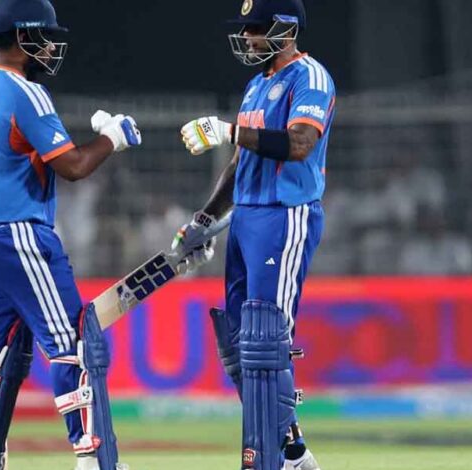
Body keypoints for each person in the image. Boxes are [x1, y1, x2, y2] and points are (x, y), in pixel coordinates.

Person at [0, 1, 141, 469]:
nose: (51, 47)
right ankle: (92, 457)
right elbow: (73, 166)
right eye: (45, 37)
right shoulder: (27, 94)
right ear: (23, 36)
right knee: (75, 344)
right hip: (22, 237)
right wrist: (113, 137)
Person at [173, 1, 335, 469]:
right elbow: (239, 162)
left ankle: (273, 458)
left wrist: (228, 130)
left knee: (268, 340)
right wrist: (205, 220)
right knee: (240, 345)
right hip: (246, 217)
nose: (247, 37)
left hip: (284, 216)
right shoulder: (256, 84)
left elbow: (300, 143)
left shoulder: (311, 78)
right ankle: (293, 452)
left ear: (285, 28)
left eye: (256, 28)